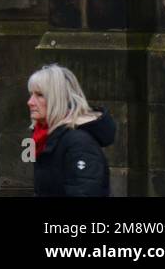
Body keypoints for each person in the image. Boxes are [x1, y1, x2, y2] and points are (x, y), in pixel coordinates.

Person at [29, 64, 114, 197]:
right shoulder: (45, 138)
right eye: (31, 94)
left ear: (58, 99)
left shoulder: (78, 143)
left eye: (39, 95)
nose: (30, 102)